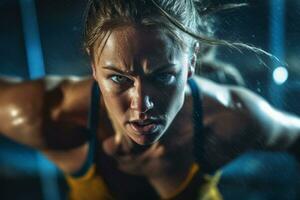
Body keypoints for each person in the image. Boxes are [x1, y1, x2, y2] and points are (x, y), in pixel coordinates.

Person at [0, 0, 299, 199]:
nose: (141, 106)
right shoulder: (46, 114)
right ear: (93, 66)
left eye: (163, 76)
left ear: (191, 64)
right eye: (119, 78)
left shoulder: (229, 117)